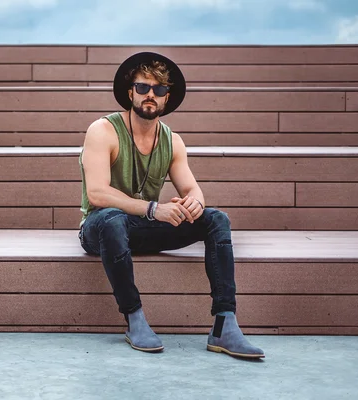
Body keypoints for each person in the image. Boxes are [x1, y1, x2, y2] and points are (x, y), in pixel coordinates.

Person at [77, 52, 264, 359]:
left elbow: (191, 188)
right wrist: (154, 209)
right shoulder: (103, 130)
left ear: (166, 99)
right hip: (100, 228)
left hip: (142, 227)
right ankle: (134, 319)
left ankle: (225, 326)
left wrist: (194, 203)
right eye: (143, 87)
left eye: (159, 90)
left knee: (217, 219)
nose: (150, 94)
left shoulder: (173, 141)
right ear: (129, 92)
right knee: (112, 219)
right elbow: (97, 194)